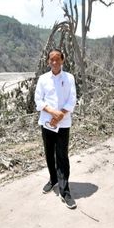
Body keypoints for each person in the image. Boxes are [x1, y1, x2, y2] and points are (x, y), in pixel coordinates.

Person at [34, 49, 77, 209]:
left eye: (57, 59)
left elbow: (72, 99)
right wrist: (52, 112)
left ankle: (65, 191)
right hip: (46, 121)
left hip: (63, 123)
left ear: (62, 60)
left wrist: (61, 115)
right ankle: (53, 179)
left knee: (62, 156)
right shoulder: (43, 79)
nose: (54, 62)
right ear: (47, 61)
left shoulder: (69, 78)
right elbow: (38, 99)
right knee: (48, 152)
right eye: (51, 60)